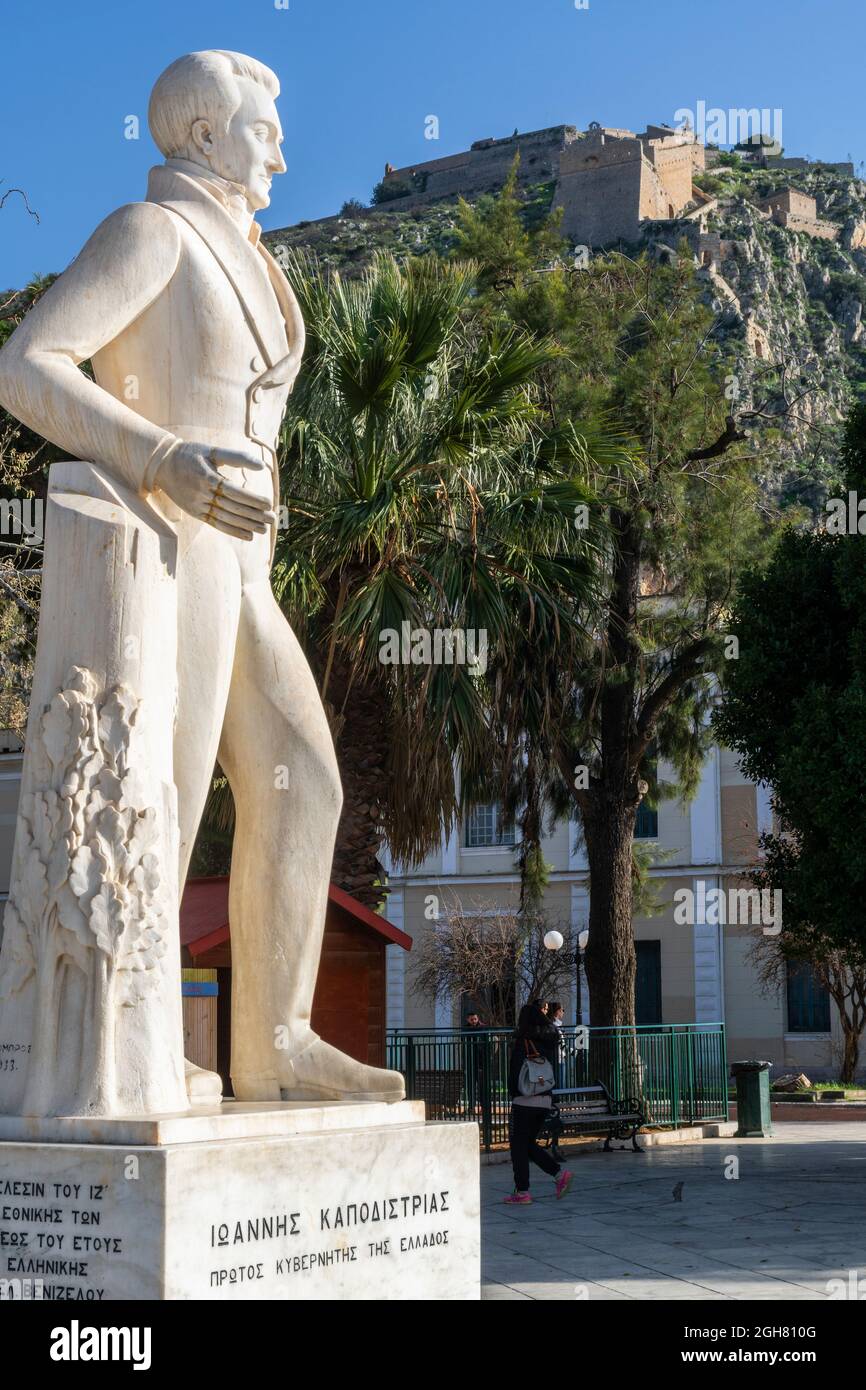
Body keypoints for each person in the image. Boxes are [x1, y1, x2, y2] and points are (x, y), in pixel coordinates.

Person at [504, 1000, 573, 1205]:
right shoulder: (551, 1038)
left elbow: (516, 1073)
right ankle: (558, 1176)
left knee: (518, 1145)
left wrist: (513, 1093)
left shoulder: (523, 1041)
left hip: (524, 1099)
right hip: (545, 1099)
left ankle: (523, 1191)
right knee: (526, 1144)